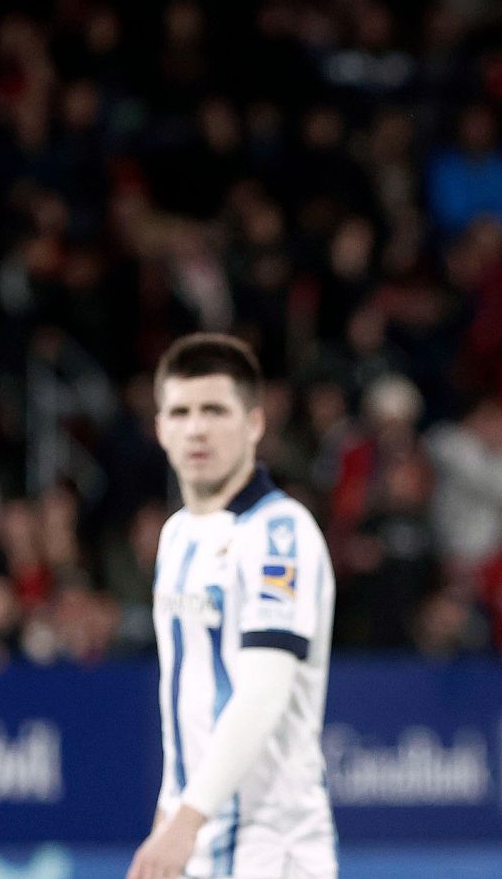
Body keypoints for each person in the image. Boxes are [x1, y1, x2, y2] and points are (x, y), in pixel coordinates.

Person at [128, 334, 337, 879]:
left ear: (254, 424)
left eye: (215, 410)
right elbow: (187, 699)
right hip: (197, 839)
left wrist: (184, 822)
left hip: (272, 848)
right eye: (180, 411)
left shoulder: (280, 534)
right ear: (160, 428)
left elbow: (263, 694)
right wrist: (168, 817)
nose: (196, 427)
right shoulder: (176, 535)